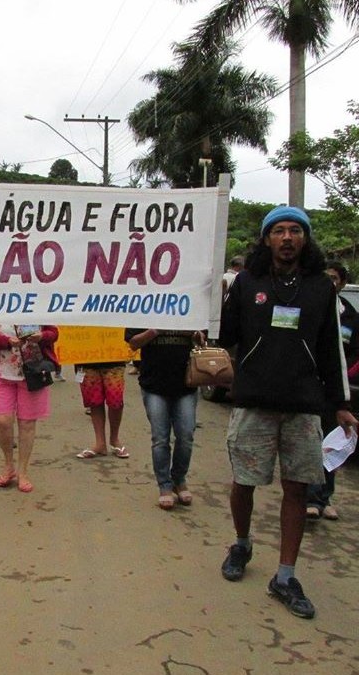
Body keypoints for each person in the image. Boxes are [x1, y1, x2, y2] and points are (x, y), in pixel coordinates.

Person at [218, 205, 357, 620]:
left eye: (295, 230)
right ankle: (241, 543)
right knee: (244, 482)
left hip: (303, 407)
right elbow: (224, 335)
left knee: (296, 489)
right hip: (253, 402)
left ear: (305, 238)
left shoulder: (320, 288)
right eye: (278, 230)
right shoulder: (247, 282)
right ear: (266, 239)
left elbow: (332, 350)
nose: (287, 237)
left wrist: (342, 405)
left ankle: (284, 575)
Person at [124, 328, 201, 508]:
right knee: (160, 438)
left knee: (186, 435)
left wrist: (193, 334)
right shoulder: (144, 305)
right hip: (154, 385)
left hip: (186, 384)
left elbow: (202, 338)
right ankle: (164, 485)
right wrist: (155, 331)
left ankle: (179, 479)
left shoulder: (191, 306)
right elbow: (133, 342)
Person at [306, 261, 359, 520]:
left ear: (342, 283)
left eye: (335, 278)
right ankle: (309, 497)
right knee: (310, 443)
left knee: (331, 444)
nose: (330, 282)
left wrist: (344, 378)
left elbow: (351, 353)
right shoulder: (309, 306)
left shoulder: (350, 316)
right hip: (308, 388)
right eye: (326, 277)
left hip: (335, 391)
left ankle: (323, 497)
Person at [0, 324, 58, 493]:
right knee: (3, 420)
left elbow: (53, 333)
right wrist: (7, 341)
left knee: (27, 423)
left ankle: (23, 471)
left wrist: (41, 336)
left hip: (33, 372)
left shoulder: (40, 302)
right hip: (2, 371)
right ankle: (9, 465)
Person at [75, 360, 129, 459]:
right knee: (94, 401)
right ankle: (100, 443)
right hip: (85, 358)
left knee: (115, 400)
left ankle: (114, 439)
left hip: (114, 358)